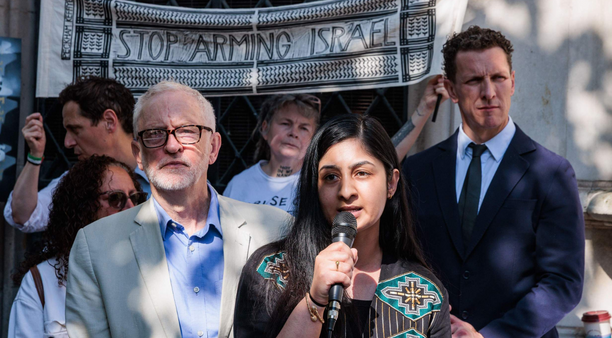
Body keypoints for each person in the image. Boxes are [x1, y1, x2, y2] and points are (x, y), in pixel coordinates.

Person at [65, 81, 290, 338]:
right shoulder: (94, 246)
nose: (172, 146)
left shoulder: (276, 230)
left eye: (187, 131)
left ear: (213, 148)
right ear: (138, 154)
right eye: (154, 133)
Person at [402, 26, 584, 337]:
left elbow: (563, 282)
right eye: (474, 80)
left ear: (512, 82)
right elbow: (402, 260)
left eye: (498, 78)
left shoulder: (551, 173)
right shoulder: (418, 170)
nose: (489, 92)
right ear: (452, 89)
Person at [234, 114, 451, 338]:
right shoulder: (271, 271)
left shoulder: (425, 293)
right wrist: (315, 301)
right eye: (330, 177)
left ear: (391, 183)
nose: (346, 191)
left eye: (362, 173)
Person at [224, 78, 448, 215]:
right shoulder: (239, 185)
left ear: (313, 139)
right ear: (264, 128)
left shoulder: (324, 179)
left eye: (304, 128)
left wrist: (424, 109)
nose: (293, 132)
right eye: (285, 123)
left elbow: (384, 158)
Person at [8, 155, 147, 337]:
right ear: (84, 207)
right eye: (116, 198)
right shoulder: (41, 280)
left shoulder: (154, 267)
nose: (130, 208)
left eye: (136, 198)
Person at [3, 76, 150, 233]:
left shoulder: (163, 171)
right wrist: (34, 157)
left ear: (109, 121)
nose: (68, 143)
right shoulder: (77, 181)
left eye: (75, 129)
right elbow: (24, 216)